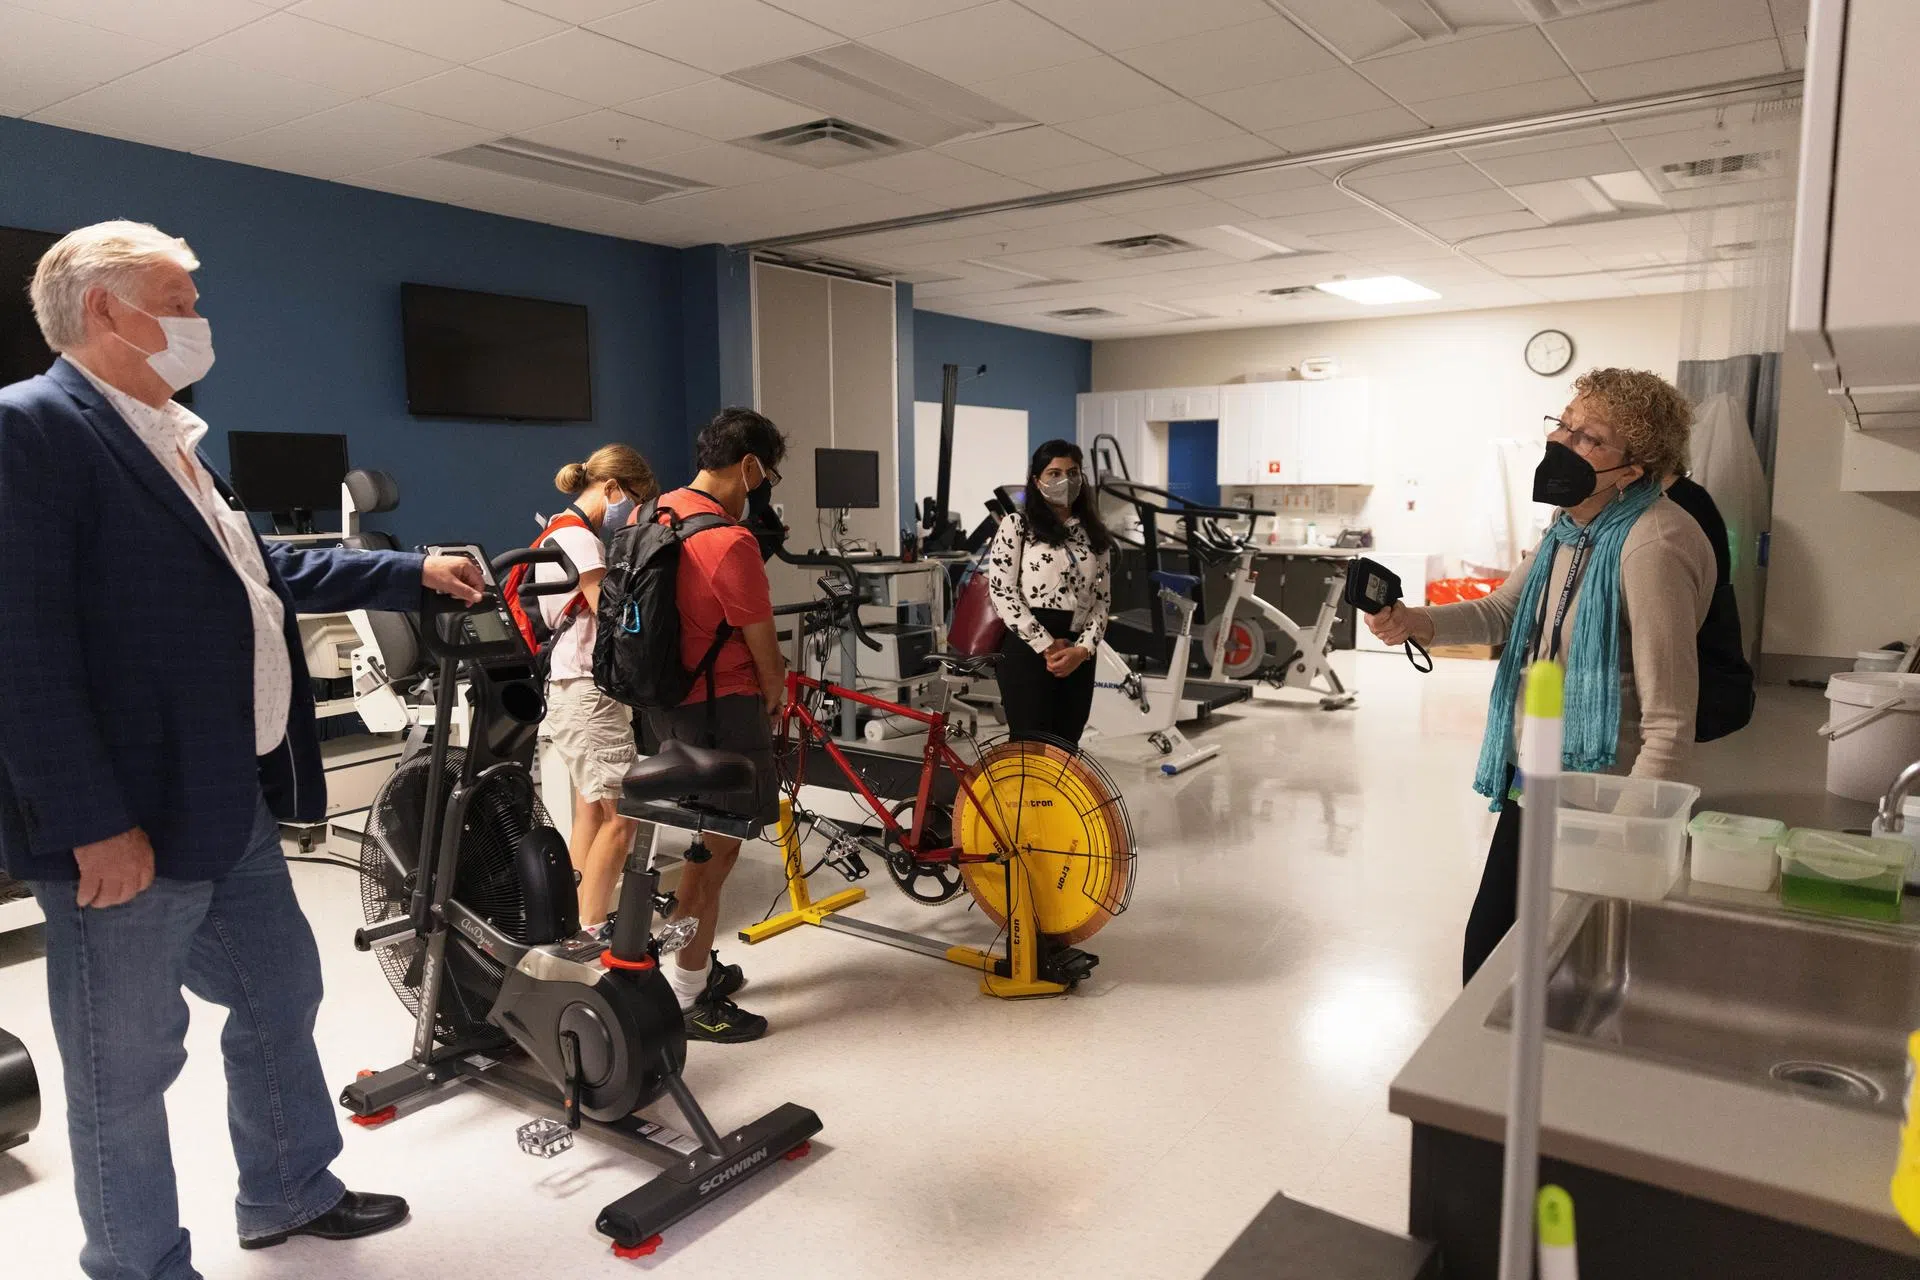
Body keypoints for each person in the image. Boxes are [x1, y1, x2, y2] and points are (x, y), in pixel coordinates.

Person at [0, 221, 486, 1280]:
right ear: (106, 310)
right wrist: (90, 821)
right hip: (127, 822)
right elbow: (20, 649)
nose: (196, 319)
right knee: (123, 1069)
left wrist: (412, 572)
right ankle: (137, 1262)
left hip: (228, 799)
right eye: (177, 297)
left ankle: (288, 1190)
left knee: (279, 998)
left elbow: (254, 573)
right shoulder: (29, 428)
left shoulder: (166, 433)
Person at [1366, 369, 1714, 983]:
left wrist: (1618, 847)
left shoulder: (1652, 543)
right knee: (1492, 953)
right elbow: (1504, 611)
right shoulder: (1570, 528)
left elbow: (1667, 724)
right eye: (1564, 424)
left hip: (1602, 800)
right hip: (1544, 779)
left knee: (1557, 969)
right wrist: (1415, 621)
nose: (1563, 443)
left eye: (1589, 438)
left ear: (1631, 470)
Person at [638, 407, 789, 1044]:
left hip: (666, 707)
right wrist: (775, 698)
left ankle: (681, 969)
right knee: (717, 854)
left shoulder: (656, 515)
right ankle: (689, 993)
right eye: (769, 471)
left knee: (697, 845)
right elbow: (764, 649)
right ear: (750, 466)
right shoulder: (730, 541)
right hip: (724, 709)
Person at [536, 444, 657, 930]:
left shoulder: (555, 531)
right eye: (632, 497)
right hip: (588, 692)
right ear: (610, 488)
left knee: (590, 814)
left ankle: (571, 923)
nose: (631, 510)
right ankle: (589, 932)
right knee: (621, 818)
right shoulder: (583, 543)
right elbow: (612, 618)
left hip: (570, 689)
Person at [985, 440, 1114, 747]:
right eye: (1054, 473)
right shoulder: (1017, 525)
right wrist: (1046, 646)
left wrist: (1082, 651)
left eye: (1072, 472)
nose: (1064, 481)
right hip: (1030, 647)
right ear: (1036, 480)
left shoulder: (1094, 533)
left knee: (1067, 747)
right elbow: (1002, 590)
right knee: (1030, 748)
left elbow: (1102, 600)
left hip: (1078, 651)